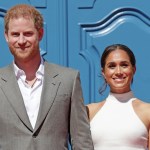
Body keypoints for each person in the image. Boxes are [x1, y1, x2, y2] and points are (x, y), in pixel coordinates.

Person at [0, 4, 94, 150]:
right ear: (6, 36)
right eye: (15, 34)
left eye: (28, 33)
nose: (21, 41)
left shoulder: (68, 79)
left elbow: (81, 139)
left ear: (41, 33)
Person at [87, 44, 150, 150]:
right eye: (112, 66)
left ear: (133, 70)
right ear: (103, 72)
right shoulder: (88, 111)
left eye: (124, 65)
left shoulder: (147, 111)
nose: (118, 72)